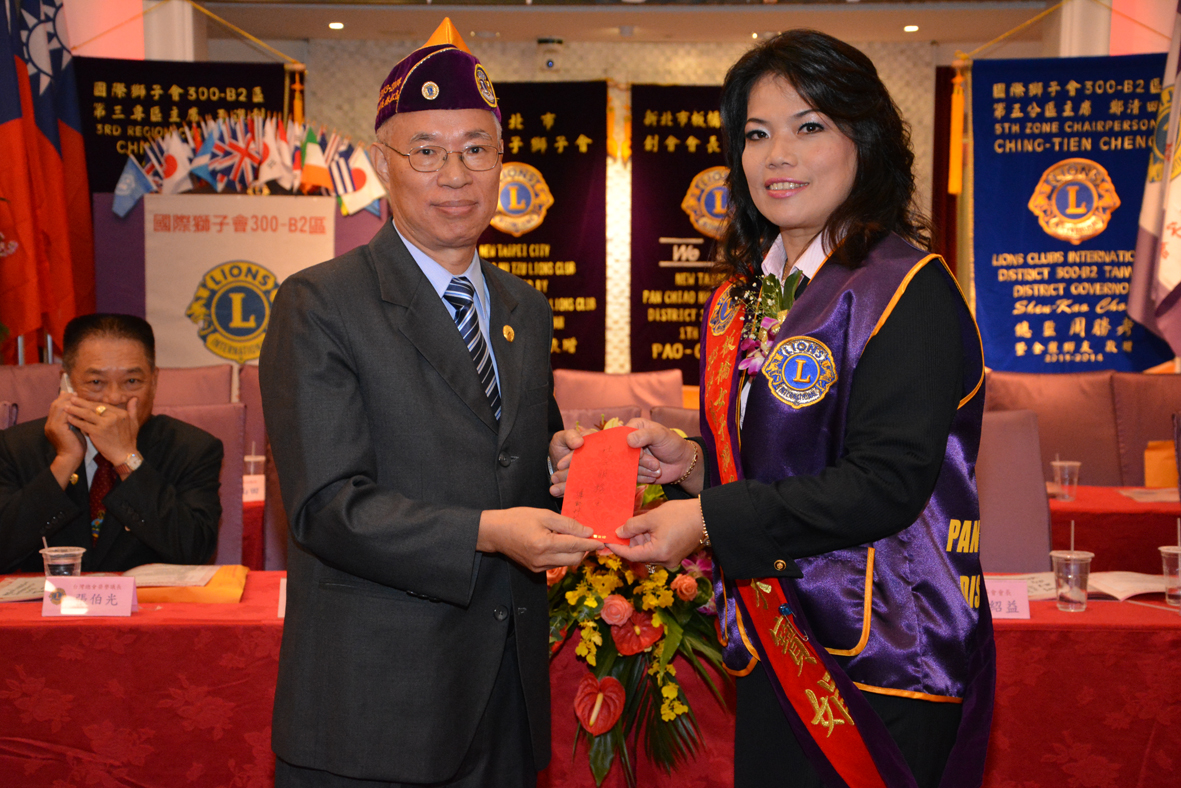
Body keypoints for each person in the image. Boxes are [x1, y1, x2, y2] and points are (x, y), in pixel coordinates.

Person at [598, 30, 994, 788]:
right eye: (755, 134)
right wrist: (692, 466)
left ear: (864, 141)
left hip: (882, 659)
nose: (776, 155)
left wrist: (706, 519)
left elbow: (884, 484)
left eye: (807, 126)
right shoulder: (746, 299)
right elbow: (781, 466)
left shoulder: (906, 290)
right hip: (775, 639)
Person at [259, 19, 601, 788]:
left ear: (501, 163)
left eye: (476, 150)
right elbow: (325, 506)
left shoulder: (524, 307)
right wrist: (486, 532)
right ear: (384, 163)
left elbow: (513, 458)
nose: (455, 175)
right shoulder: (320, 304)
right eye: (426, 151)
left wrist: (561, 462)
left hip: (505, 701)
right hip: (377, 709)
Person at [0, 314, 223, 573]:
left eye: (132, 381)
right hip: (51, 599)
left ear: (154, 381)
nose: (114, 398)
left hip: (148, 599)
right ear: (66, 383)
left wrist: (126, 457)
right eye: (96, 382)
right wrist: (64, 462)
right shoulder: (17, 447)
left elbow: (195, 552)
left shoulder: (192, 449)